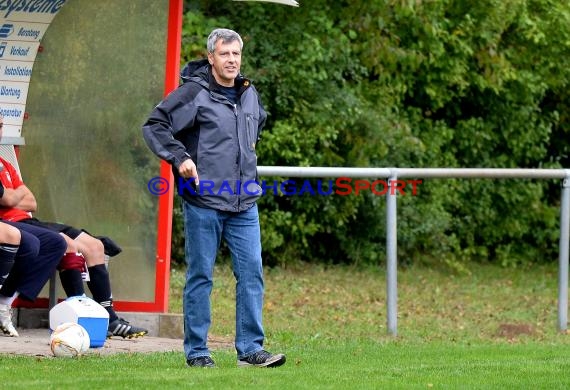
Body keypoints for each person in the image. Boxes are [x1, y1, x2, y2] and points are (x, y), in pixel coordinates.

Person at [142, 28, 286, 368]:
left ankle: (251, 350)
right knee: (201, 276)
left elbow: (256, 128)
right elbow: (155, 125)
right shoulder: (194, 92)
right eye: (225, 54)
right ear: (211, 58)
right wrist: (181, 157)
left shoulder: (250, 95)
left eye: (236, 54)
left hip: (244, 203)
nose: (232, 60)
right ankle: (197, 352)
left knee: (252, 274)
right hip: (203, 202)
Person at [0, 115, 147, 339]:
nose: (0, 130)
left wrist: (13, 196)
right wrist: (14, 196)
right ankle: (79, 317)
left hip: (30, 221)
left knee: (95, 246)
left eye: (1, 125)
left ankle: (111, 319)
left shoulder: (6, 164)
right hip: (13, 224)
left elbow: (32, 201)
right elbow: (9, 199)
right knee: (68, 245)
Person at [0, 219, 67, 337]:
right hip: (12, 219)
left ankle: (3, 302)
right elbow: (9, 200)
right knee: (23, 241)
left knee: (56, 242)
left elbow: (31, 203)